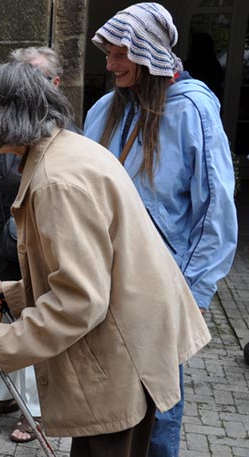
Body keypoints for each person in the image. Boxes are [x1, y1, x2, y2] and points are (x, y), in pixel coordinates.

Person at [0, 61, 211, 457]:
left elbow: (82, 299)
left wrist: (4, 341)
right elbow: (93, 268)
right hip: (130, 339)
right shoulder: (66, 150)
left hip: (124, 351)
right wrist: (17, 294)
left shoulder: (56, 181)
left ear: (4, 115)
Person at [83, 4, 237, 456]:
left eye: (118, 56)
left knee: (158, 403)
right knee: (105, 395)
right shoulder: (105, 108)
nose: (109, 65)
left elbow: (214, 210)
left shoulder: (193, 110)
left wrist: (194, 290)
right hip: (103, 278)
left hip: (163, 285)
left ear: (148, 54)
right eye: (107, 54)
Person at [0, 46, 66, 443]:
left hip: (23, 248)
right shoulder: (2, 135)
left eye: (34, 77)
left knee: (33, 320)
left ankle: (36, 409)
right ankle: (3, 395)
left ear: (53, 85)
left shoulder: (54, 147)